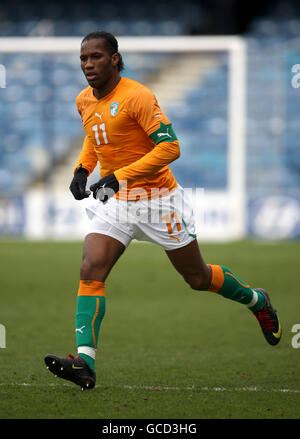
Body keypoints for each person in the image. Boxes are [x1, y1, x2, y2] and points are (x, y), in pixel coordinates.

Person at [45, 31, 282, 390]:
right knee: (91, 269)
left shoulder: (137, 96)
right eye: (83, 58)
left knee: (198, 278)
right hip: (119, 202)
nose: (88, 64)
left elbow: (170, 148)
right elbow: (95, 137)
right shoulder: (83, 100)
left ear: (114, 59)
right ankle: (85, 362)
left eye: (96, 57)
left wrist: (117, 176)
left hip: (159, 201)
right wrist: (81, 169)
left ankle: (256, 300)